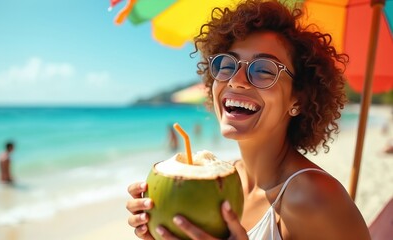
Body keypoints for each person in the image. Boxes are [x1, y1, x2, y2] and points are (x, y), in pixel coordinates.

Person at [126, 1, 371, 239]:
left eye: (263, 70)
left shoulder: (314, 198)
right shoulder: (223, 181)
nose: (236, 79)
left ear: (298, 99)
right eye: (226, 64)